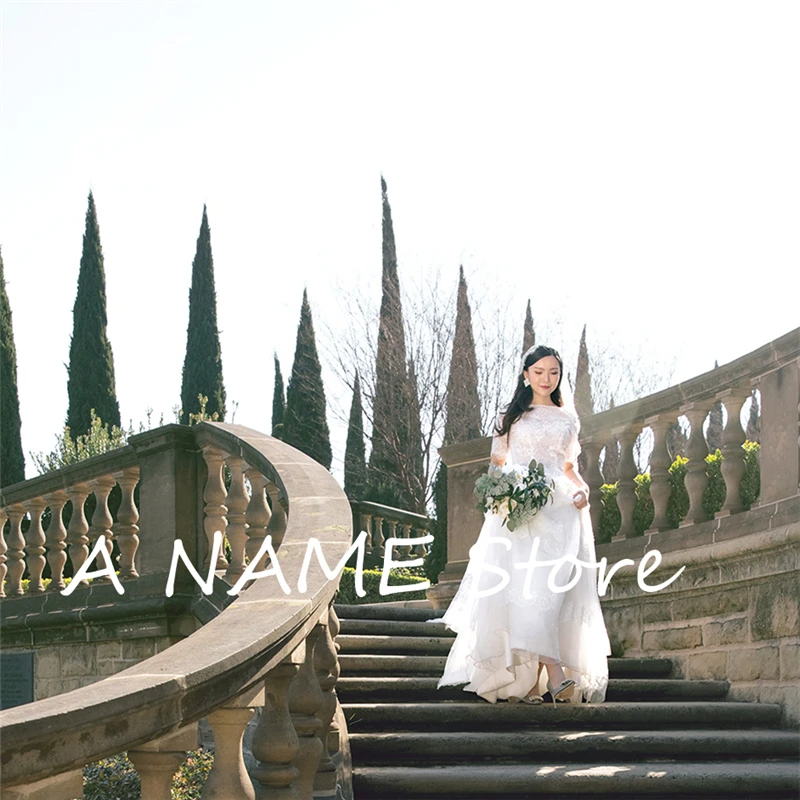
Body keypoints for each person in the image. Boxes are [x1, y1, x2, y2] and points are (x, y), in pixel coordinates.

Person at [437, 344, 610, 705]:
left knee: (552, 594)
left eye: (554, 373)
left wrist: (584, 492)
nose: (547, 379)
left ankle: (539, 681)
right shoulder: (512, 418)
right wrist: (508, 492)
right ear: (526, 374)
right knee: (527, 595)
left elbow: (569, 468)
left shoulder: (567, 419)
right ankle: (551, 676)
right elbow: (498, 463)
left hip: (561, 511)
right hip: (520, 515)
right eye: (539, 372)